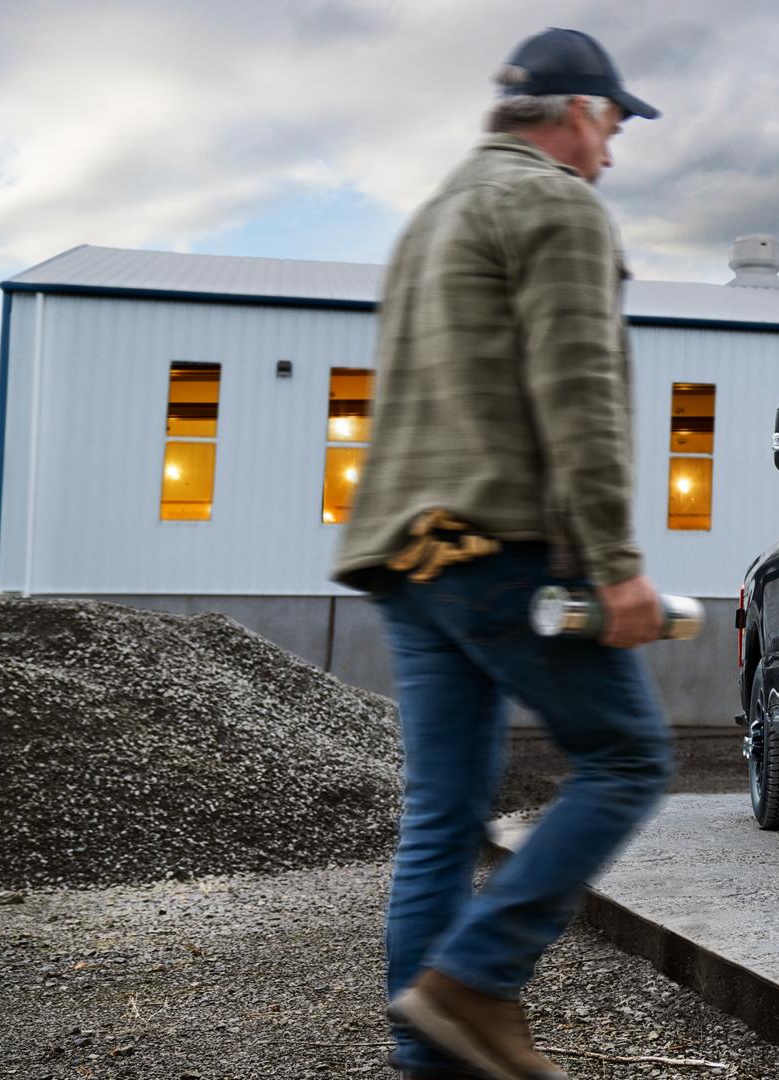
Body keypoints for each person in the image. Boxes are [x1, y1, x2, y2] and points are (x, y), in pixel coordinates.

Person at [331, 27, 671, 1080]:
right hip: (493, 548)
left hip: (403, 554)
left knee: (442, 816)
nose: (611, 152)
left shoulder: (429, 221)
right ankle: (473, 984)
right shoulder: (557, 204)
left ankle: (427, 1056)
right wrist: (615, 566)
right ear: (575, 111)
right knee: (627, 759)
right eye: (612, 125)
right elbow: (580, 399)